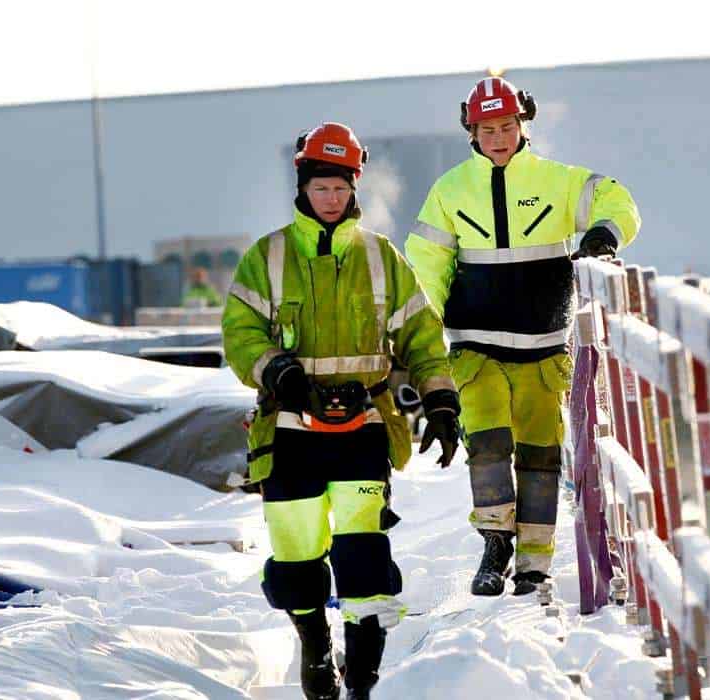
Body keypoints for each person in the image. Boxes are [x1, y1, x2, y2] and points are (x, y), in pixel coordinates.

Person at [222, 122, 461, 700]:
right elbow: (240, 333)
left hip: (365, 429)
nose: (331, 198)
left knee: (362, 558)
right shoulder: (268, 256)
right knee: (298, 560)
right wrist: (277, 370)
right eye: (320, 187)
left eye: (340, 187)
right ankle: (312, 643)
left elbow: (422, 337)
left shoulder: (381, 257)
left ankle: (363, 681)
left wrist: (441, 399)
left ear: (354, 187)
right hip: (289, 431)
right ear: (302, 187)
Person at [406, 76, 640, 597]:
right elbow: (426, 265)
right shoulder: (449, 190)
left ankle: (534, 562)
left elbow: (617, 200)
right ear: (472, 131)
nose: (498, 137)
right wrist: (422, 338)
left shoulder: (558, 181)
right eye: (487, 129)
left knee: (540, 454)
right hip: (475, 345)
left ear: (523, 125)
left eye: (507, 126)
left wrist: (603, 234)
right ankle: (494, 544)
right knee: (486, 442)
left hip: (543, 346)